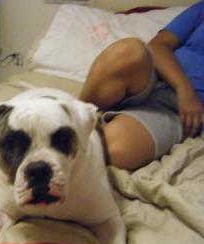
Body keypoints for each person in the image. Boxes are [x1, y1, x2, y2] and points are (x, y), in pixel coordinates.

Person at [79, 1, 204, 171]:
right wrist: (184, 89)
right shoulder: (201, 8)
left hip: (177, 112)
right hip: (153, 75)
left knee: (111, 149)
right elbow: (158, 45)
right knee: (128, 51)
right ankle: (75, 117)